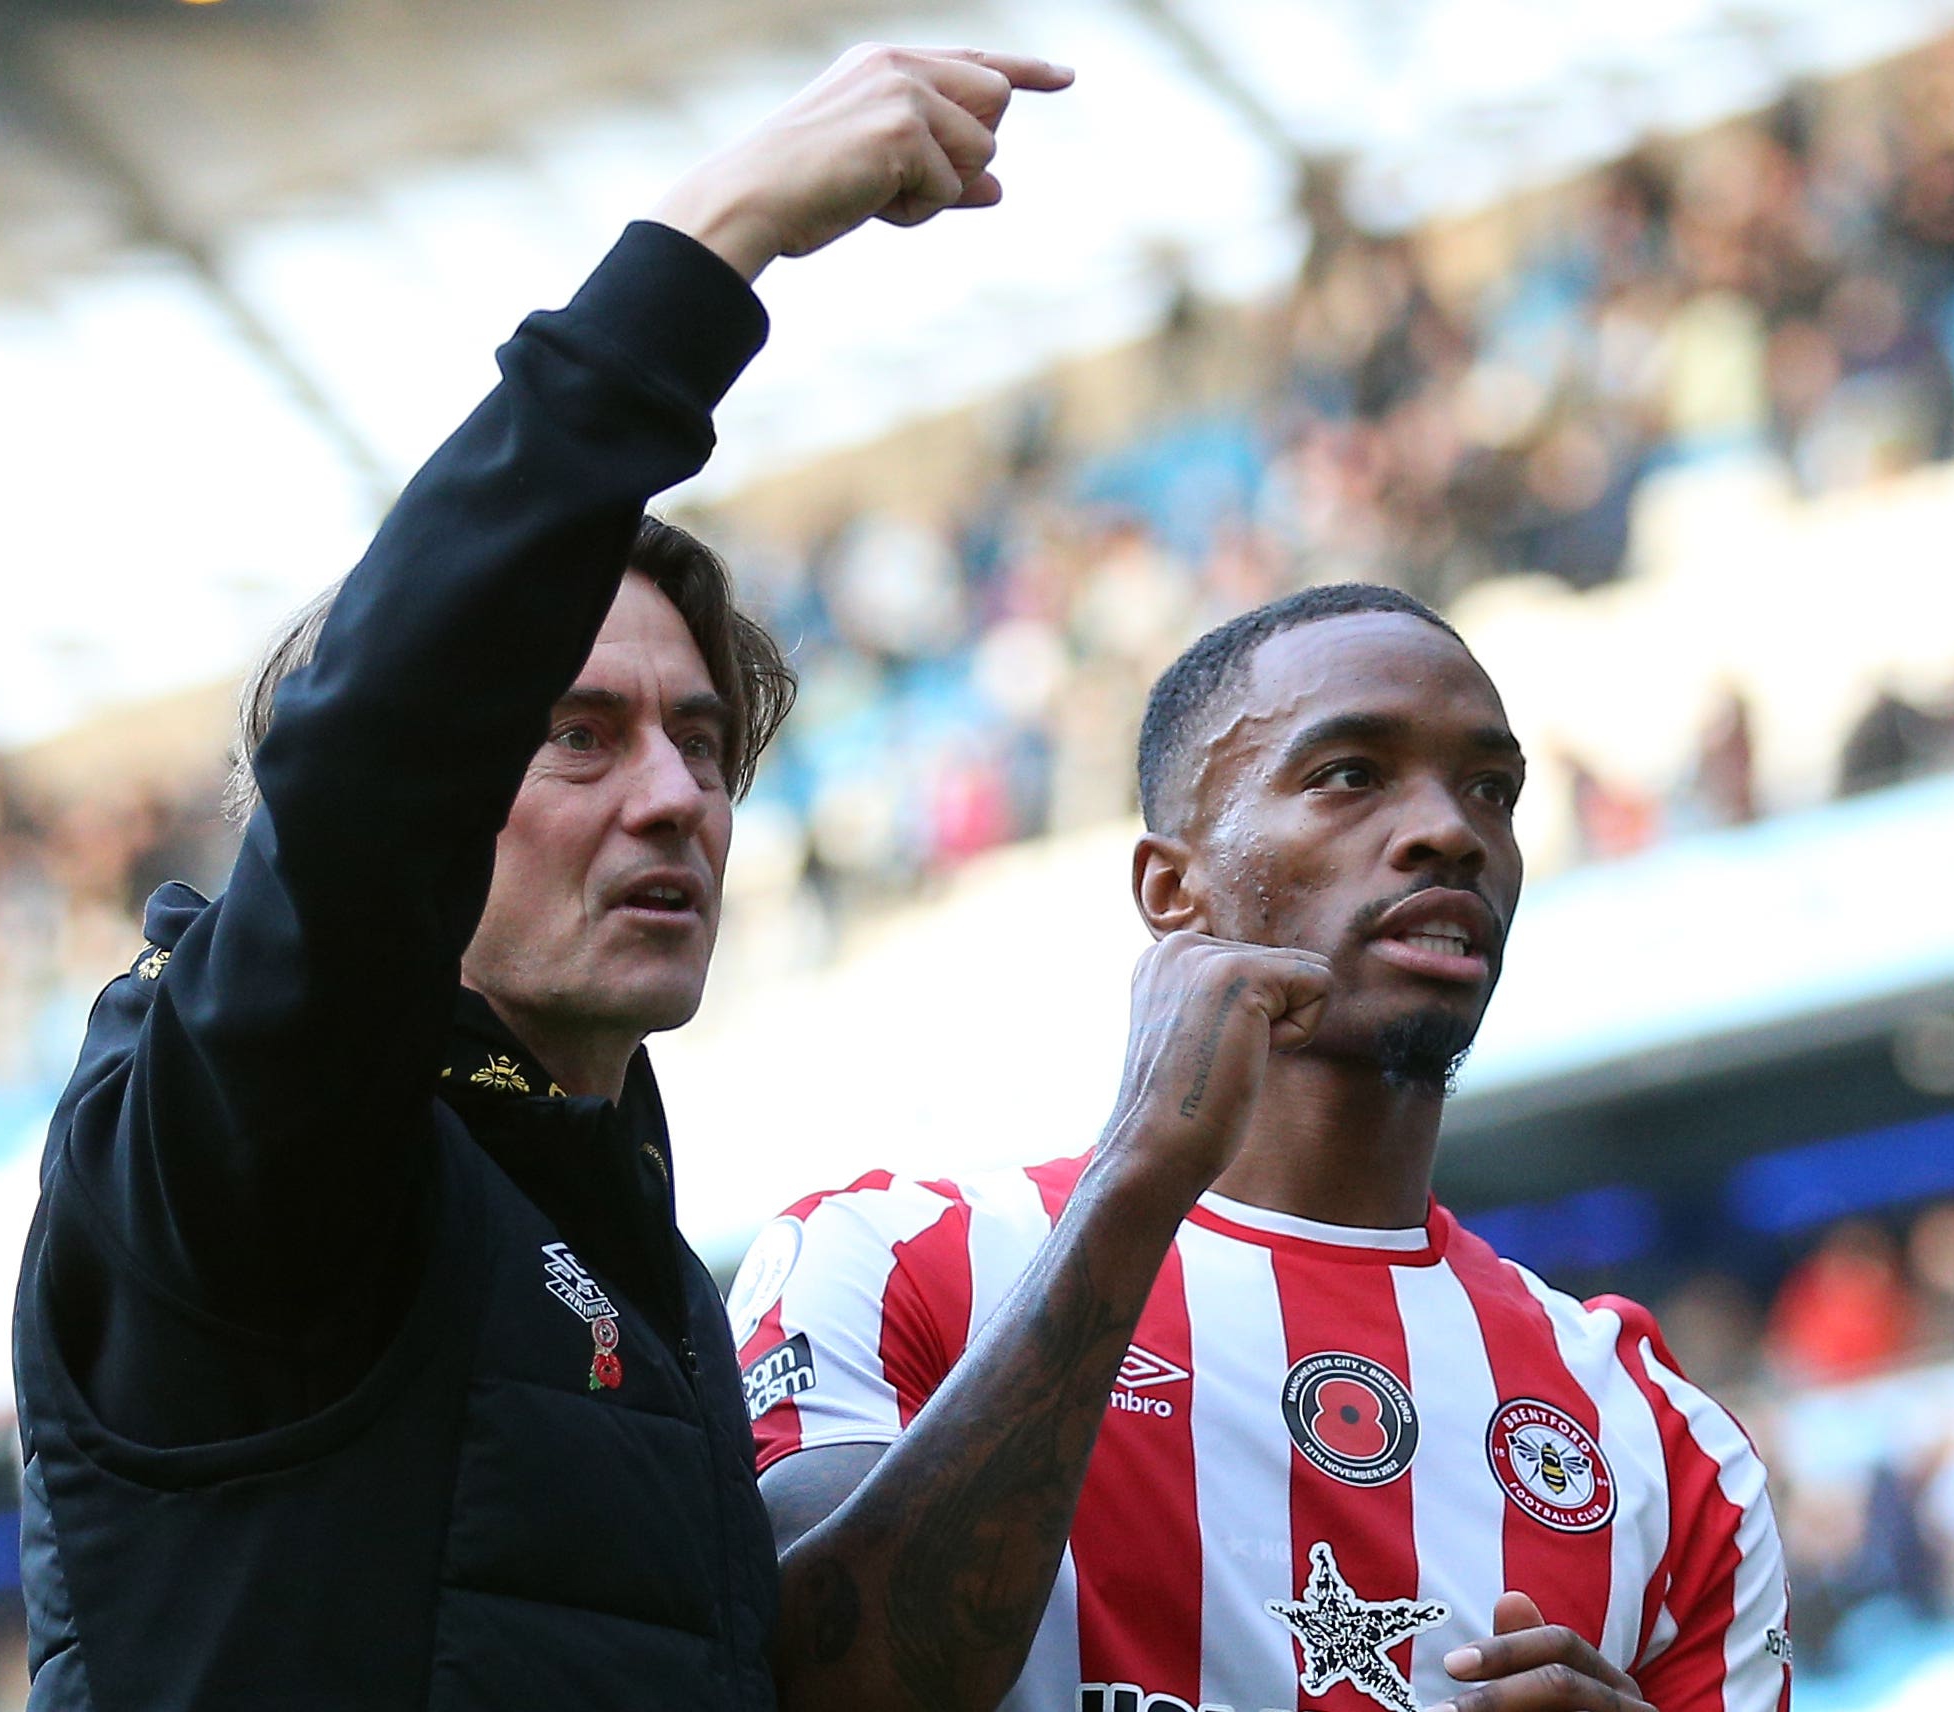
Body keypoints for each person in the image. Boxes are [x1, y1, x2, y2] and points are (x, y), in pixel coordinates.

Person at [9, 44, 1073, 1712]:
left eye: (702, 741)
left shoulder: (617, 1248)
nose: (675, 796)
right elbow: (370, 775)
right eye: (575, 735)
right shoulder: (245, 1150)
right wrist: (711, 238)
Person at [735, 584, 1791, 1712]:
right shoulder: (889, 1263)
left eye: (1492, 788)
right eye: (1350, 773)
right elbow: (817, 1684)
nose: (1451, 830)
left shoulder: (1665, 1449)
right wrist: (1142, 1173)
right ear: (1171, 889)